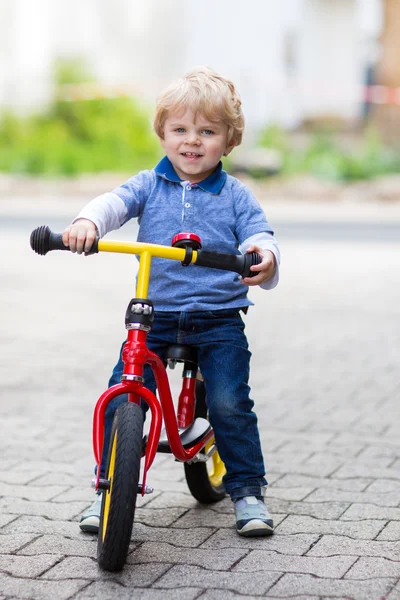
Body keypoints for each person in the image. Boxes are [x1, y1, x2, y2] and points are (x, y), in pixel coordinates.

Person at [62, 67, 280, 537]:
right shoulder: (148, 184)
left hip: (218, 316)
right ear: (162, 134)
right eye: (180, 130)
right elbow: (112, 203)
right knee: (122, 395)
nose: (192, 141)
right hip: (155, 316)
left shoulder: (235, 194)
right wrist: (87, 223)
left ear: (229, 139)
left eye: (207, 131)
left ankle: (246, 491)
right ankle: (106, 488)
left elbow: (261, 235)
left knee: (228, 403)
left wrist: (264, 257)